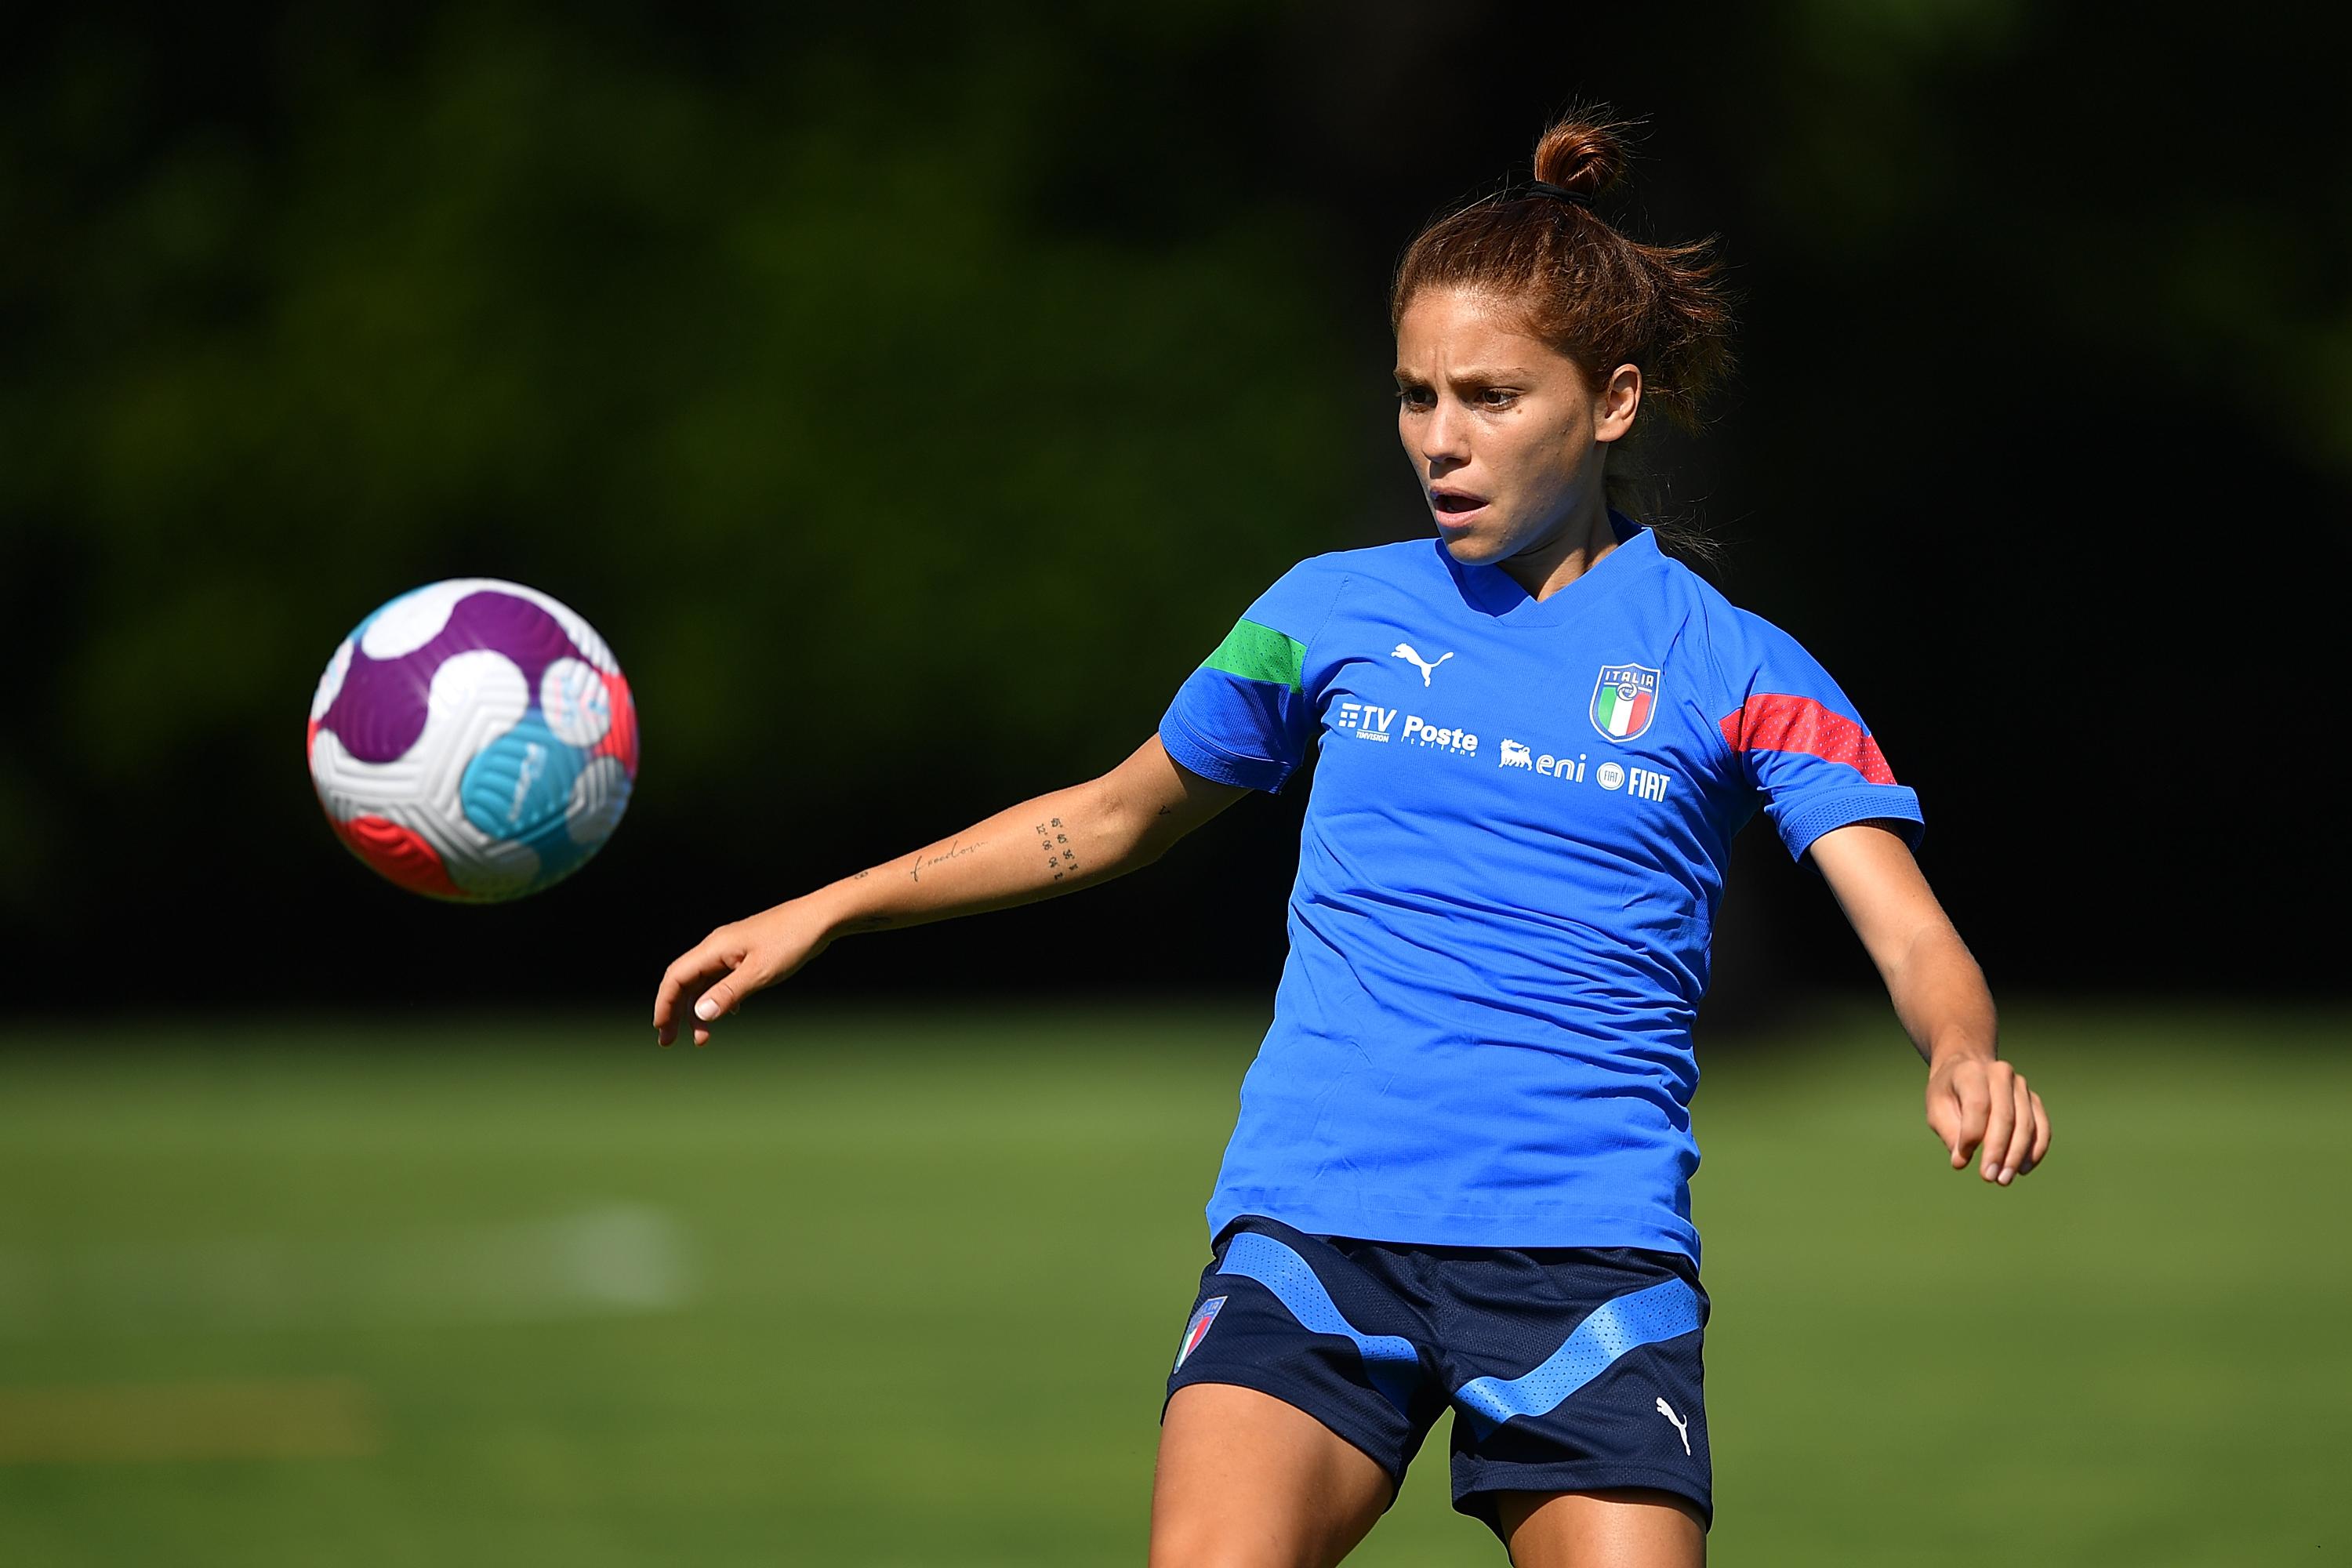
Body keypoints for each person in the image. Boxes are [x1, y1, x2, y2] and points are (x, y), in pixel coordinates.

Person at [651, 112, 2050, 1568]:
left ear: (1614, 400)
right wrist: (831, 905)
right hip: (1319, 1231)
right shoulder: (1326, 611)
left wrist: (1961, 1049)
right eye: (1416, 395)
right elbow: (1115, 815)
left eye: (1493, 397)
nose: (1442, 440)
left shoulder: (1738, 664)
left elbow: (1909, 931)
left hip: (1589, 1259)